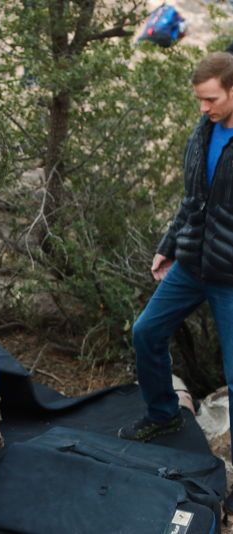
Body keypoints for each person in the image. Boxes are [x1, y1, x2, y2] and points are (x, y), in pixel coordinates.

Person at [119, 53, 233, 457]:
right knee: (146, 332)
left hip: (230, 279)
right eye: (200, 100)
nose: (204, 108)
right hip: (192, 263)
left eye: (212, 99)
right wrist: (168, 246)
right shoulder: (204, 131)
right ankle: (163, 414)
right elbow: (192, 200)